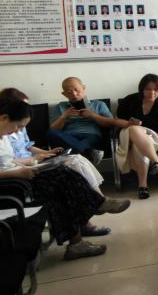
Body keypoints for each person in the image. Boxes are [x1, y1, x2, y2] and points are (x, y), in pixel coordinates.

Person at [0, 96, 115, 260]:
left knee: (62, 174)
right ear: (4, 118)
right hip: (10, 184)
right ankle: (96, 205)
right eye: (18, 126)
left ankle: (80, 236)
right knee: (60, 184)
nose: (18, 132)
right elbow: (7, 168)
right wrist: (17, 173)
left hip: (19, 175)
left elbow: (10, 161)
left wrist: (31, 162)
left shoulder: (4, 136)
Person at [0, 87, 129, 215]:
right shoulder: (8, 129)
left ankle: (99, 200)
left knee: (75, 160)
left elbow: (27, 146)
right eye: (23, 106)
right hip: (25, 166)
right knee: (69, 171)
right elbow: (11, 161)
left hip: (32, 161)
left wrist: (45, 153)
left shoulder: (15, 128)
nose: (27, 110)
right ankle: (96, 203)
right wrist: (64, 117)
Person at [115, 74, 158, 199]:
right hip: (128, 134)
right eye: (148, 89)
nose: (152, 93)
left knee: (139, 146)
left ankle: (143, 186)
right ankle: (157, 162)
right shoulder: (129, 101)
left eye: (156, 90)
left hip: (155, 137)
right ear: (142, 89)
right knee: (134, 129)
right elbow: (117, 122)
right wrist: (129, 124)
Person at [47, 76, 114, 165]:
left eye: (77, 90)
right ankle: (89, 153)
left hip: (91, 136)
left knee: (73, 152)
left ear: (83, 87)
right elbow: (54, 129)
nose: (74, 94)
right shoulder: (60, 107)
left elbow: (111, 124)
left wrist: (93, 115)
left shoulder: (98, 104)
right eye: (69, 92)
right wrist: (64, 117)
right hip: (68, 138)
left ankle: (82, 153)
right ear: (64, 94)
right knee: (51, 133)